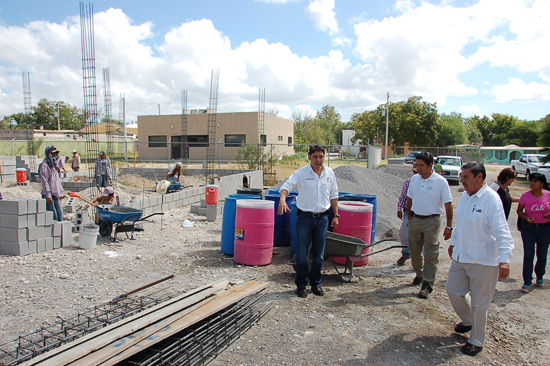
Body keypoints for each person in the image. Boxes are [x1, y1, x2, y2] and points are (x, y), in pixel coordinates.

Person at [446, 161, 513, 357]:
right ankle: (468, 321)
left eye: (466, 177)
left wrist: (505, 259)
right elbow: (461, 223)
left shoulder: (491, 199)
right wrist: (454, 243)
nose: (462, 180)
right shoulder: (466, 197)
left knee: (480, 302)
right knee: (452, 289)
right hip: (462, 255)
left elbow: (502, 230)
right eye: (461, 176)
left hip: (484, 260)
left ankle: (476, 340)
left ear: (480, 177)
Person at [278, 145, 339, 298]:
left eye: (321, 156)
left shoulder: (329, 173)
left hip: (323, 219)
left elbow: (334, 195)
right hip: (304, 219)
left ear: (324, 157)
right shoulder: (301, 173)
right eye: (315, 157)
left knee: (319, 255)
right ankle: (301, 285)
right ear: (309, 157)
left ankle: (316, 284)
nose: (318, 160)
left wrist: (336, 215)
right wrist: (282, 200)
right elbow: (286, 187)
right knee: (302, 255)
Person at [406, 151, 453, 298]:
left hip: (432, 220)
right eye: (417, 165)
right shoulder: (414, 179)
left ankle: (427, 283)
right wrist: (410, 217)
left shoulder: (440, 182)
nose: (418, 168)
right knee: (414, 250)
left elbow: (448, 204)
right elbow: (409, 198)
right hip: (415, 219)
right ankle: (419, 273)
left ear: (430, 165)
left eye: (421, 166)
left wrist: (449, 225)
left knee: (431, 252)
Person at [516, 172, 550, 293]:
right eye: (531, 181)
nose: (532, 183)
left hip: (545, 229)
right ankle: (527, 281)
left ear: (542, 183)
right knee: (529, 254)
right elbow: (519, 210)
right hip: (528, 228)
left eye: (535, 181)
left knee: (542, 254)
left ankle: (540, 276)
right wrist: (526, 218)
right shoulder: (525, 196)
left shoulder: (548, 195)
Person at [396, 163, 418, 265]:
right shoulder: (408, 182)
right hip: (408, 211)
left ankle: (420, 259)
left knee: (420, 236)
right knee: (404, 234)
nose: (415, 174)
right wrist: (399, 209)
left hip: (421, 213)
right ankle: (406, 253)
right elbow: (403, 197)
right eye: (414, 172)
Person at [39, 145, 64, 221]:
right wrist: (48, 195)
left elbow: (57, 181)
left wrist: (61, 192)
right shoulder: (44, 165)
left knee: (60, 216)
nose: (55, 155)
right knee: (53, 218)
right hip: (49, 196)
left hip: (56, 195)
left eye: (56, 153)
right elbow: (44, 182)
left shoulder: (55, 166)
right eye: (53, 154)